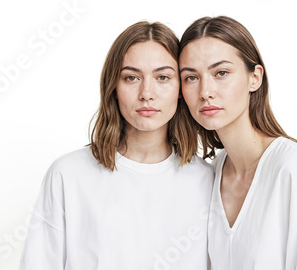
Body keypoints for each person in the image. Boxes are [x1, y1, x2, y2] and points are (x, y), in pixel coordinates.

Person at [19, 21, 214, 270]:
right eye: (131, 77)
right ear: (114, 86)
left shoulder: (208, 180)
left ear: (181, 87)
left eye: (162, 77)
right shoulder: (69, 174)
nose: (147, 93)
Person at [178, 16, 297, 269]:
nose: (205, 91)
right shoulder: (212, 173)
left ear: (254, 78)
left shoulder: (295, 170)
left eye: (221, 73)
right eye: (191, 77)